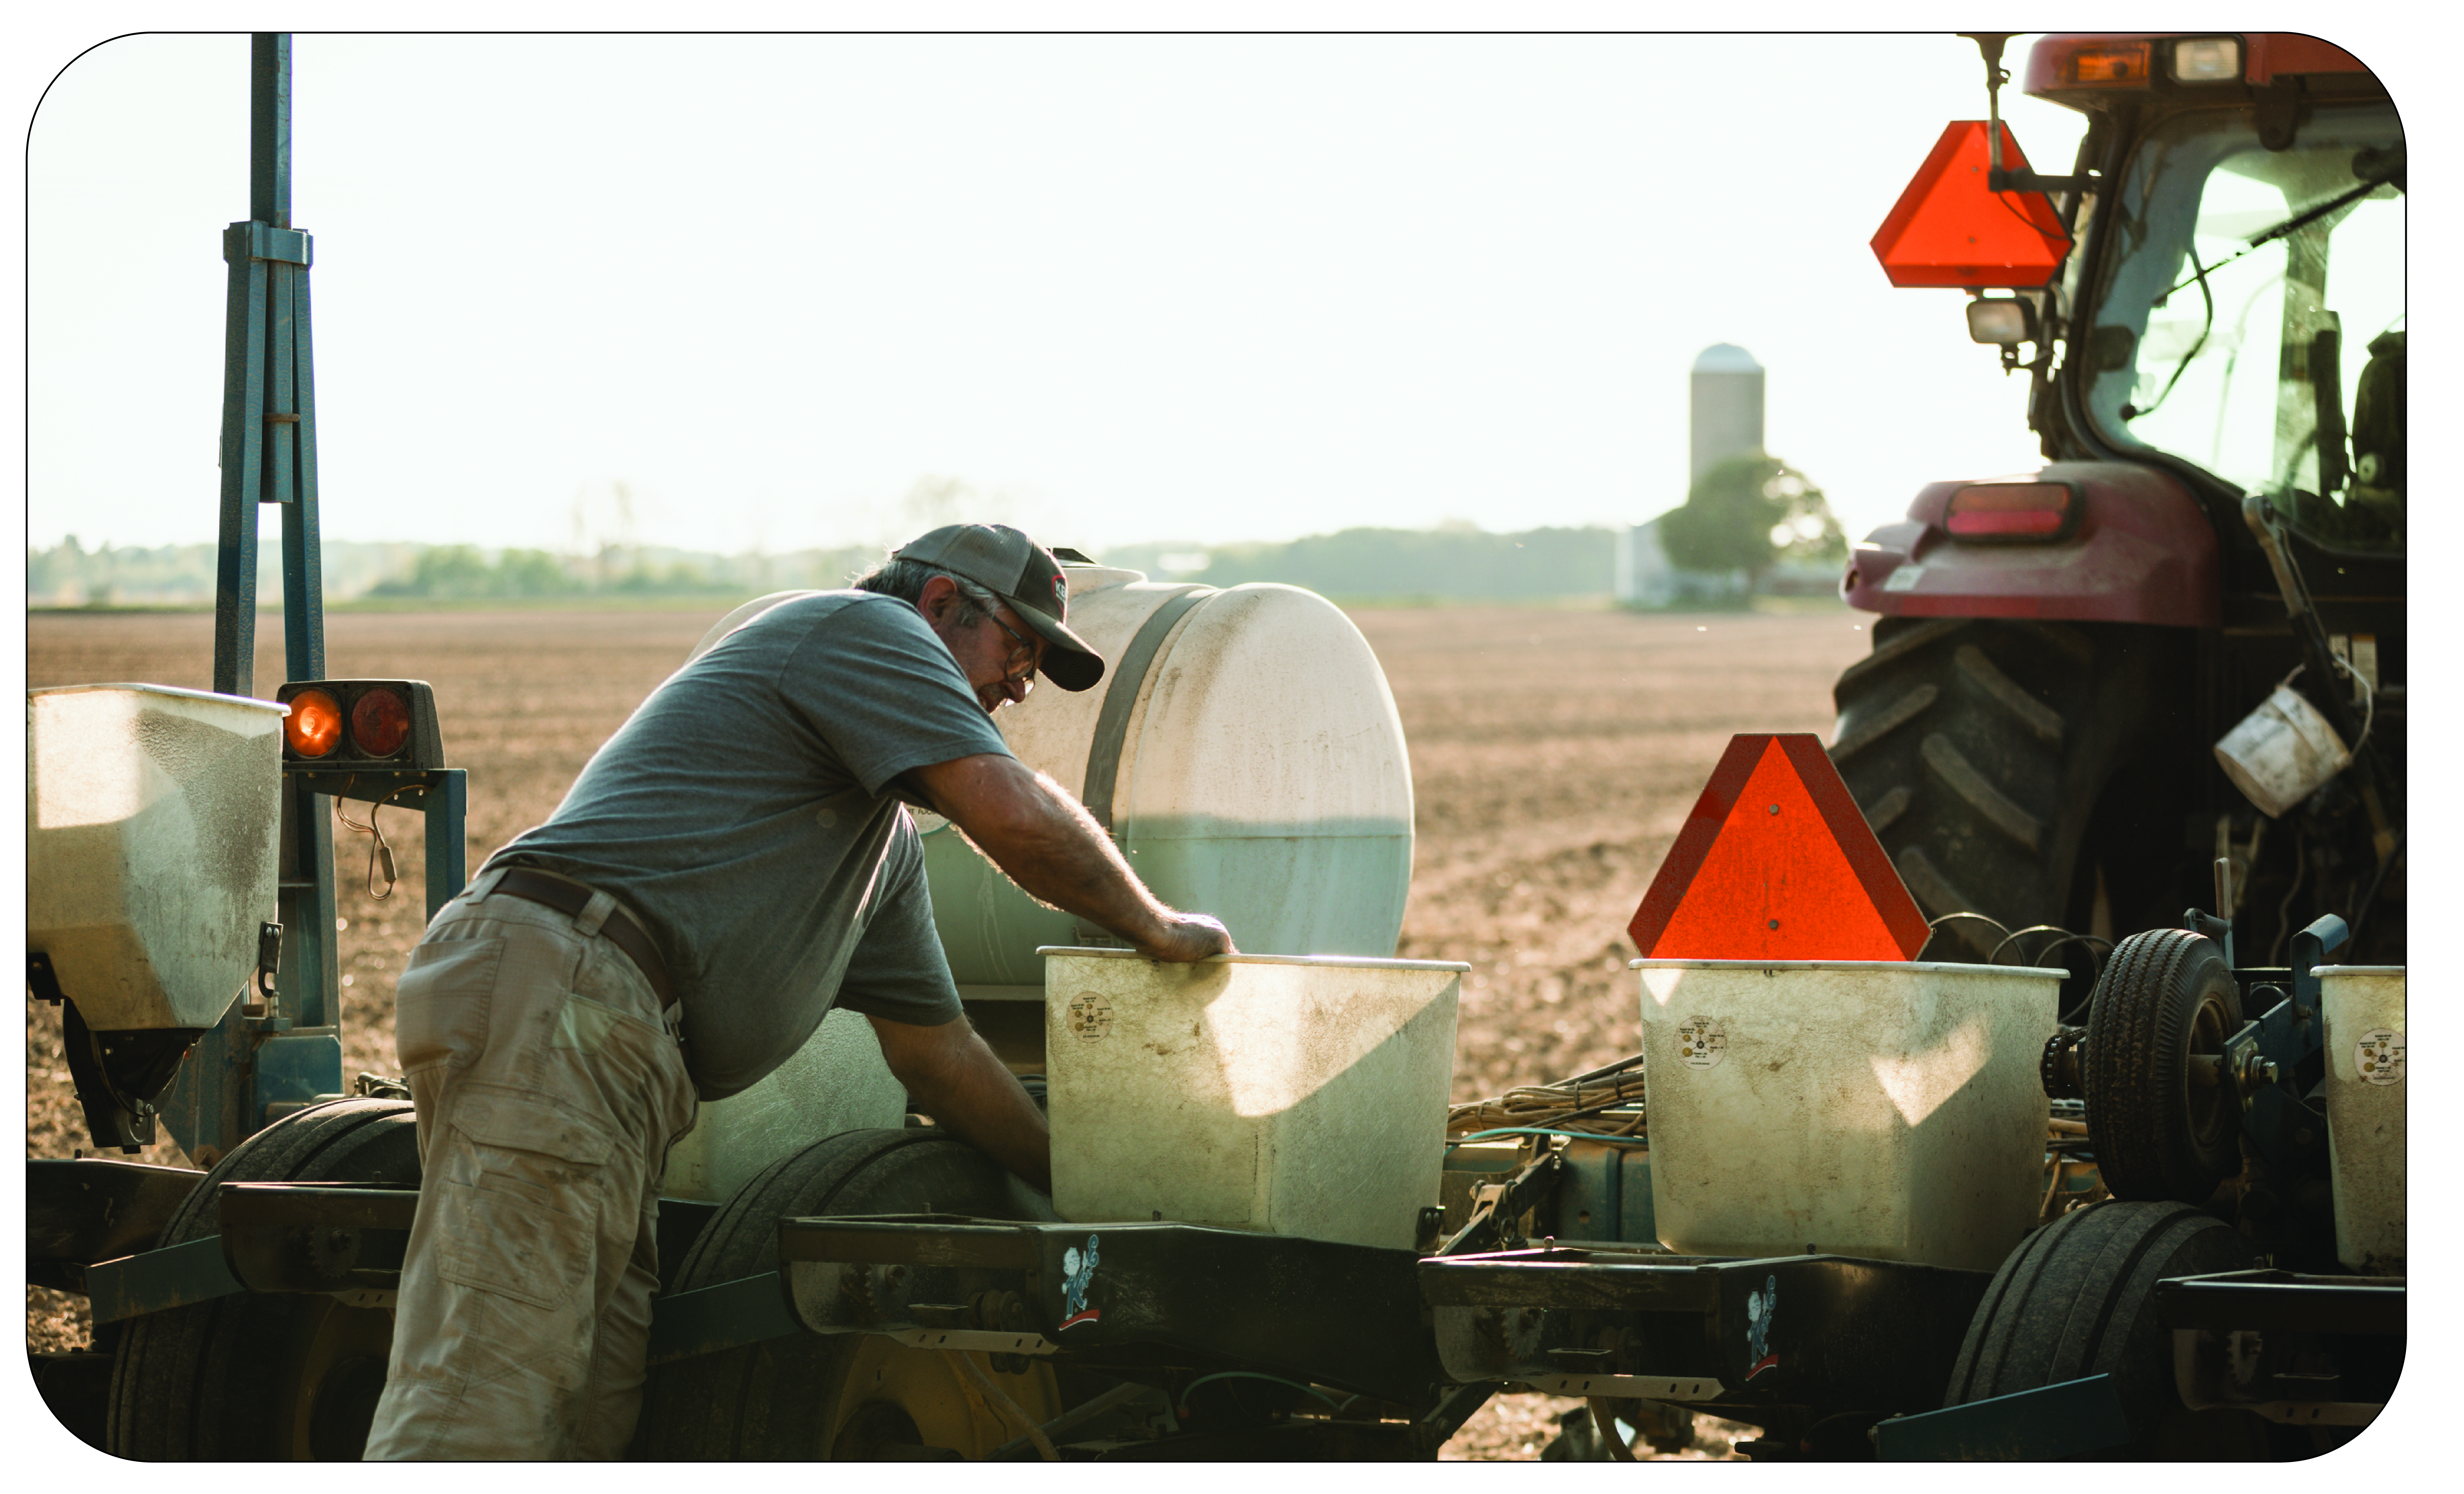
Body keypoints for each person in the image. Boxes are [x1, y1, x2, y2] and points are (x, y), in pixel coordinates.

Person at [361, 523, 1235, 1460]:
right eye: (1017, 647)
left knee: (588, 1417)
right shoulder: (863, 628)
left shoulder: (881, 846)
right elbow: (1013, 814)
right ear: (942, 603)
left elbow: (936, 1058)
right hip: (564, 997)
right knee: (484, 1404)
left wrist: (1085, 1174)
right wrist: (1156, 927)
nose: (1020, 684)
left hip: (599, 1045)